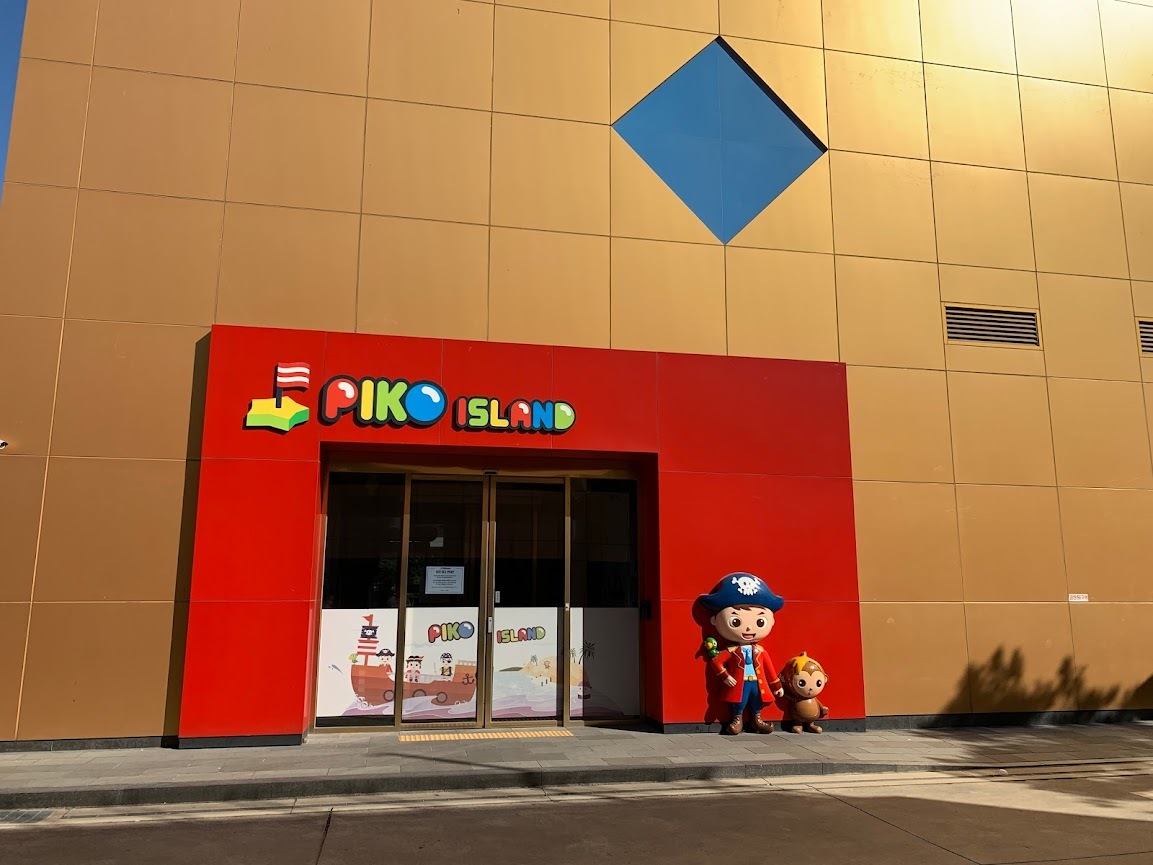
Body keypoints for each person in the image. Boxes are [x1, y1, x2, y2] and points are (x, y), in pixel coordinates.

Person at [697, 573, 785, 735]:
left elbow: (769, 670)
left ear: (772, 621)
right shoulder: (731, 650)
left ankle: (757, 720)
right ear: (714, 620)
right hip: (740, 682)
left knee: (757, 700)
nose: (749, 628)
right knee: (739, 700)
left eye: (760, 621)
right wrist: (726, 676)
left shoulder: (760, 651)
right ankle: (737, 719)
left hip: (756, 682)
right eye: (736, 621)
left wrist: (776, 686)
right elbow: (716, 662)